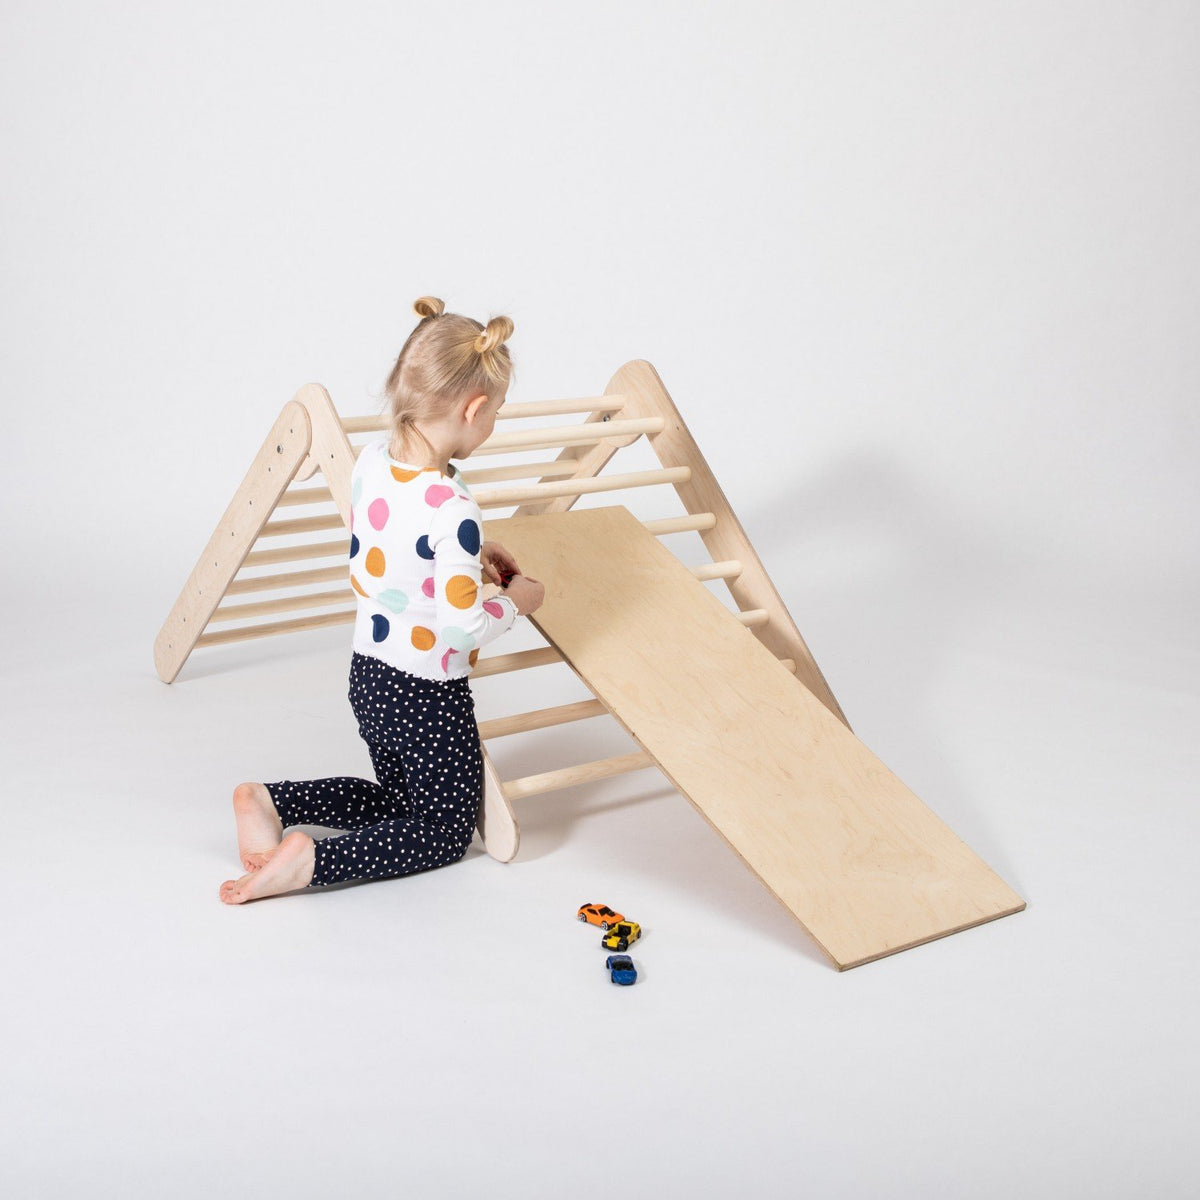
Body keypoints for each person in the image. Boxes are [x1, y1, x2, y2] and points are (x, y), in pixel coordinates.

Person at [219, 295, 545, 904]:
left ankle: (270, 801)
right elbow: (462, 629)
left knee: (397, 801)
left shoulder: (373, 462)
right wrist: (520, 601)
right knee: (444, 830)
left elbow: (400, 544)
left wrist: (474, 554)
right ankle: (312, 861)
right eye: (496, 413)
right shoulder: (454, 507)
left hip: (370, 677)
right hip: (426, 693)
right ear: (473, 410)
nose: (494, 424)